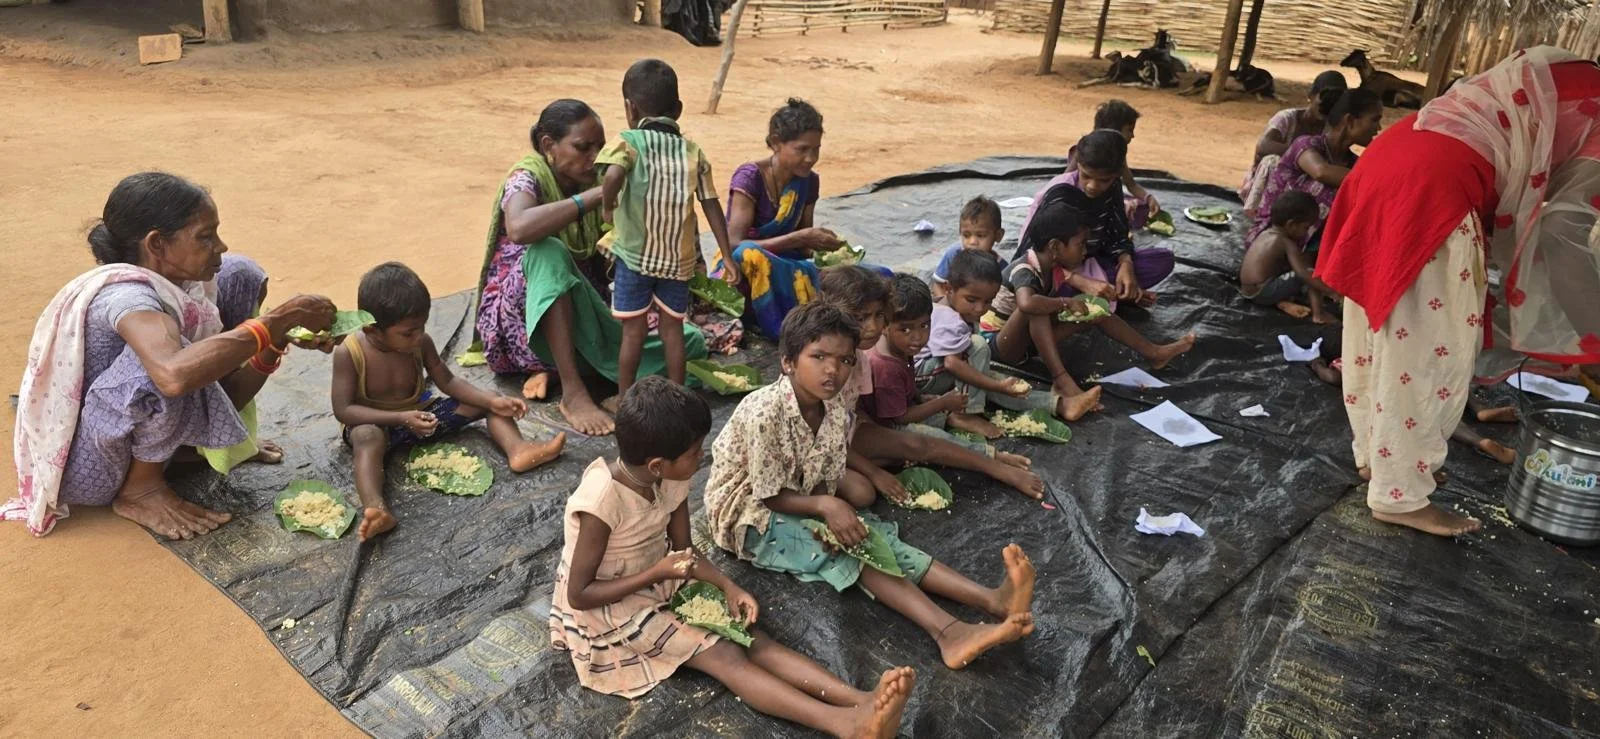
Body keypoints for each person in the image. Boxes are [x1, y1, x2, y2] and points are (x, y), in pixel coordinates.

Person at [1317, 48, 1600, 537]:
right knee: (1429, 350)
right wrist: (1594, 339)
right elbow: (1564, 233)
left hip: (1397, 157)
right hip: (1436, 184)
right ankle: (1400, 495)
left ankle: (1382, 461)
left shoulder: (1570, 76)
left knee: (1380, 330)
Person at [549, 376, 915, 738]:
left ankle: (860, 702)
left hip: (661, 573)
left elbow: (683, 552)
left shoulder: (671, 480)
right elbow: (579, 594)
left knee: (752, 636)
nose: (701, 458)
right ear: (658, 464)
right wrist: (655, 574)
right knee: (725, 656)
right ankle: (844, 725)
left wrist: (728, 586)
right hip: (612, 606)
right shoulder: (601, 503)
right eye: (694, 453)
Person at [702, 301, 1038, 671]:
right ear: (788, 362)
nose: (833, 369)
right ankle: (949, 632)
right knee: (853, 549)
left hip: (799, 495)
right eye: (819, 356)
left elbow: (822, 481)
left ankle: (992, 601)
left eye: (845, 360)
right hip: (748, 514)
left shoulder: (833, 413)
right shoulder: (764, 412)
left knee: (874, 537)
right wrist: (825, 509)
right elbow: (769, 495)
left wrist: (830, 508)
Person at [7, 172, 338, 538]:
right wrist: (277, 320)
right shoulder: (128, 299)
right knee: (169, 366)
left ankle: (197, 446)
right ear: (157, 244)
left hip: (148, 428)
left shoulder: (186, 285)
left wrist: (276, 338)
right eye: (205, 238)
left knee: (239, 274)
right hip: (97, 461)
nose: (220, 246)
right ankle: (141, 489)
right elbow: (173, 375)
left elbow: (219, 363)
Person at [473, 99, 708, 437]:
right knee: (549, 252)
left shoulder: (605, 175)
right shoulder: (528, 177)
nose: (594, 156)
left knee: (689, 342)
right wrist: (597, 197)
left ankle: (556, 368)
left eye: (599, 147)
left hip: (583, 316)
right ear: (548, 145)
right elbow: (520, 228)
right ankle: (573, 391)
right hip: (521, 323)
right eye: (582, 147)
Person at [334, 263, 566, 540]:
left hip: (422, 417)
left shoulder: (421, 342)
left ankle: (518, 450)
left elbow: (448, 382)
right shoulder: (349, 353)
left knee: (488, 401)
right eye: (408, 333)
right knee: (366, 436)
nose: (418, 336)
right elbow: (344, 410)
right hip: (376, 423)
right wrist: (399, 418)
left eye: (422, 327)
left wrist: (494, 401)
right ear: (372, 330)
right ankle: (376, 508)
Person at [819, 267, 1043, 502]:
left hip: (849, 431)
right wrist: (874, 471)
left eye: (878, 315)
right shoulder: (830, 370)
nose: (873, 327)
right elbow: (826, 436)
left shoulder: (859, 358)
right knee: (865, 493)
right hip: (824, 445)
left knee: (916, 444)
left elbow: (857, 407)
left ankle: (996, 466)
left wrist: (885, 436)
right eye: (860, 318)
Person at [598, 59, 739, 399]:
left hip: (635, 257)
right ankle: (678, 398)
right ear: (678, 109)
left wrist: (607, 207)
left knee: (632, 333)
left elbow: (614, 175)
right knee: (672, 330)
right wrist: (728, 257)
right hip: (678, 262)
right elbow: (711, 203)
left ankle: (625, 399)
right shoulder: (693, 153)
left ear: (630, 108)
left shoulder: (628, 142)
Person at [990, 201, 1195, 421]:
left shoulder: (1055, 269)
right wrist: (1065, 302)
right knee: (1035, 306)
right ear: (1055, 247)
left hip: (1027, 344)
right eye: (1080, 244)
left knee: (1092, 308)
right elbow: (1027, 305)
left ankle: (1153, 353)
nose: (1085, 251)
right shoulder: (1024, 270)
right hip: (999, 346)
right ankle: (1061, 380)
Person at [712, 98, 864, 337]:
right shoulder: (750, 177)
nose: (811, 158)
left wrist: (826, 250)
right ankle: (780, 327)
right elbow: (733, 244)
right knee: (750, 255)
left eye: (816, 149)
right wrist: (799, 238)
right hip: (747, 269)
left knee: (870, 276)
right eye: (802, 149)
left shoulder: (809, 182)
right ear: (775, 143)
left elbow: (804, 246)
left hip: (789, 264)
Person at [1021, 131, 1174, 311]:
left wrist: (1126, 264)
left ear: (1117, 174)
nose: (1093, 186)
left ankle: (1111, 292)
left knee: (1164, 260)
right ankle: (1110, 294)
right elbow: (1030, 257)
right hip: (1056, 271)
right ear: (1078, 165)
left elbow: (1118, 234)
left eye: (1104, 180)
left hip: (1091, 258)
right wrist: (1080, 281)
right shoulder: (1061, 194)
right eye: (1086, 176)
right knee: (1036, 290)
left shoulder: (1114, 187)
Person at [915, 250, 1060, 440]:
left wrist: (994, 383)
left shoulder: (960, 312)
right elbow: (952, 363)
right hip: (923, 378)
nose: (980, 309)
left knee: (989, 378)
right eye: (972, 300)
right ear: (949, 289)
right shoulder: (949, 319)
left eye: (988, 302)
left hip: (937, 372)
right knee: (980, 352)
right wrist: (996, 385)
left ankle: (1055, 404)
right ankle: (966, 414)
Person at [1245, 89, 1384, 248]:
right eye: (1375, 120)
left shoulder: (1355, 164)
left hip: (1308, 252)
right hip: (1269, 244)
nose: (1378, 128)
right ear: (1350, 121)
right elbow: (1321, 172)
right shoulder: (1305, 145)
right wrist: (1382, 178)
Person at [861, 275, 981, 443]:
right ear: (884, 326)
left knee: (937, 413)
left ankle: (948, 417)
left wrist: (920, 398)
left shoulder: (900, 345)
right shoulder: (886, 367)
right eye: (905, 329)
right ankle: (989, 455)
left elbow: (907, 379)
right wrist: (942, 403)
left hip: (902, 406)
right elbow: (899, 419)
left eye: (924, 325)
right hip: (890, 428)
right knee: (942, 442)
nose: (917, 337)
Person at [1240, 71, 1350, 218]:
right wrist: (1301, 156)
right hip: (1266, 182)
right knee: (1272, 161)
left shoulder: (1330, 129)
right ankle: (1257, 214)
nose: (1326, 109)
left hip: (1300, 185)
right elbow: (1263, 146)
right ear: (1311, 95)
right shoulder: (1287, 118)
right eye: (1323, 102)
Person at [1239, 190, 1341, 323]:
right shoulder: (1286, 243)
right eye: (1305, 228)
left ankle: (1283, 302)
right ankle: (1319, 315)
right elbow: (1304, 274)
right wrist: (1331, 291)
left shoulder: (1266, 233)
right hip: (1262, 292)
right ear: (1291, 225)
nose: (1306, 233)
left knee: (1303, 272)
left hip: (1247, 290)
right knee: (1310, 274)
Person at [931, 196, 1008, 297]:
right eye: (966, 235)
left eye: (980, 235)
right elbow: (938, 284)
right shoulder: (953, 255)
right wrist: (946, 308)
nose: (972, 242)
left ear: (998, 235)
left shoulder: (1001, 268)